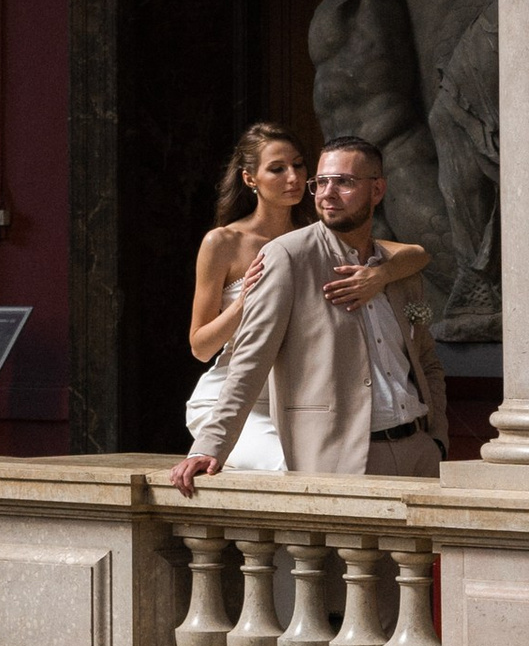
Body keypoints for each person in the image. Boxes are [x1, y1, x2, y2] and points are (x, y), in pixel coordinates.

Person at [172, 138, 446, 491]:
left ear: (377, 189)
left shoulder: (396, 269)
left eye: (344, 182)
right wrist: (210, 446)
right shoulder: (286, 256)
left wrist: (437, 439)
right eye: (321, 182)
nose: (326, 193)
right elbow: (249, 360)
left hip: (419, 454)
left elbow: (426, 359)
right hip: (344, 457)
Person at [179, 123, 310, 473]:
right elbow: (200, 346)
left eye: (298, 165)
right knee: (286, 466)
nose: (293, 177)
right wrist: (244, 303)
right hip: (230, 400)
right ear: (250, 179)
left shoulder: (317, 239)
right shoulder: (223, 243)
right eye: (278, 169)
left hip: (299, 400)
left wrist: (379, 273)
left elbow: (413, 253)